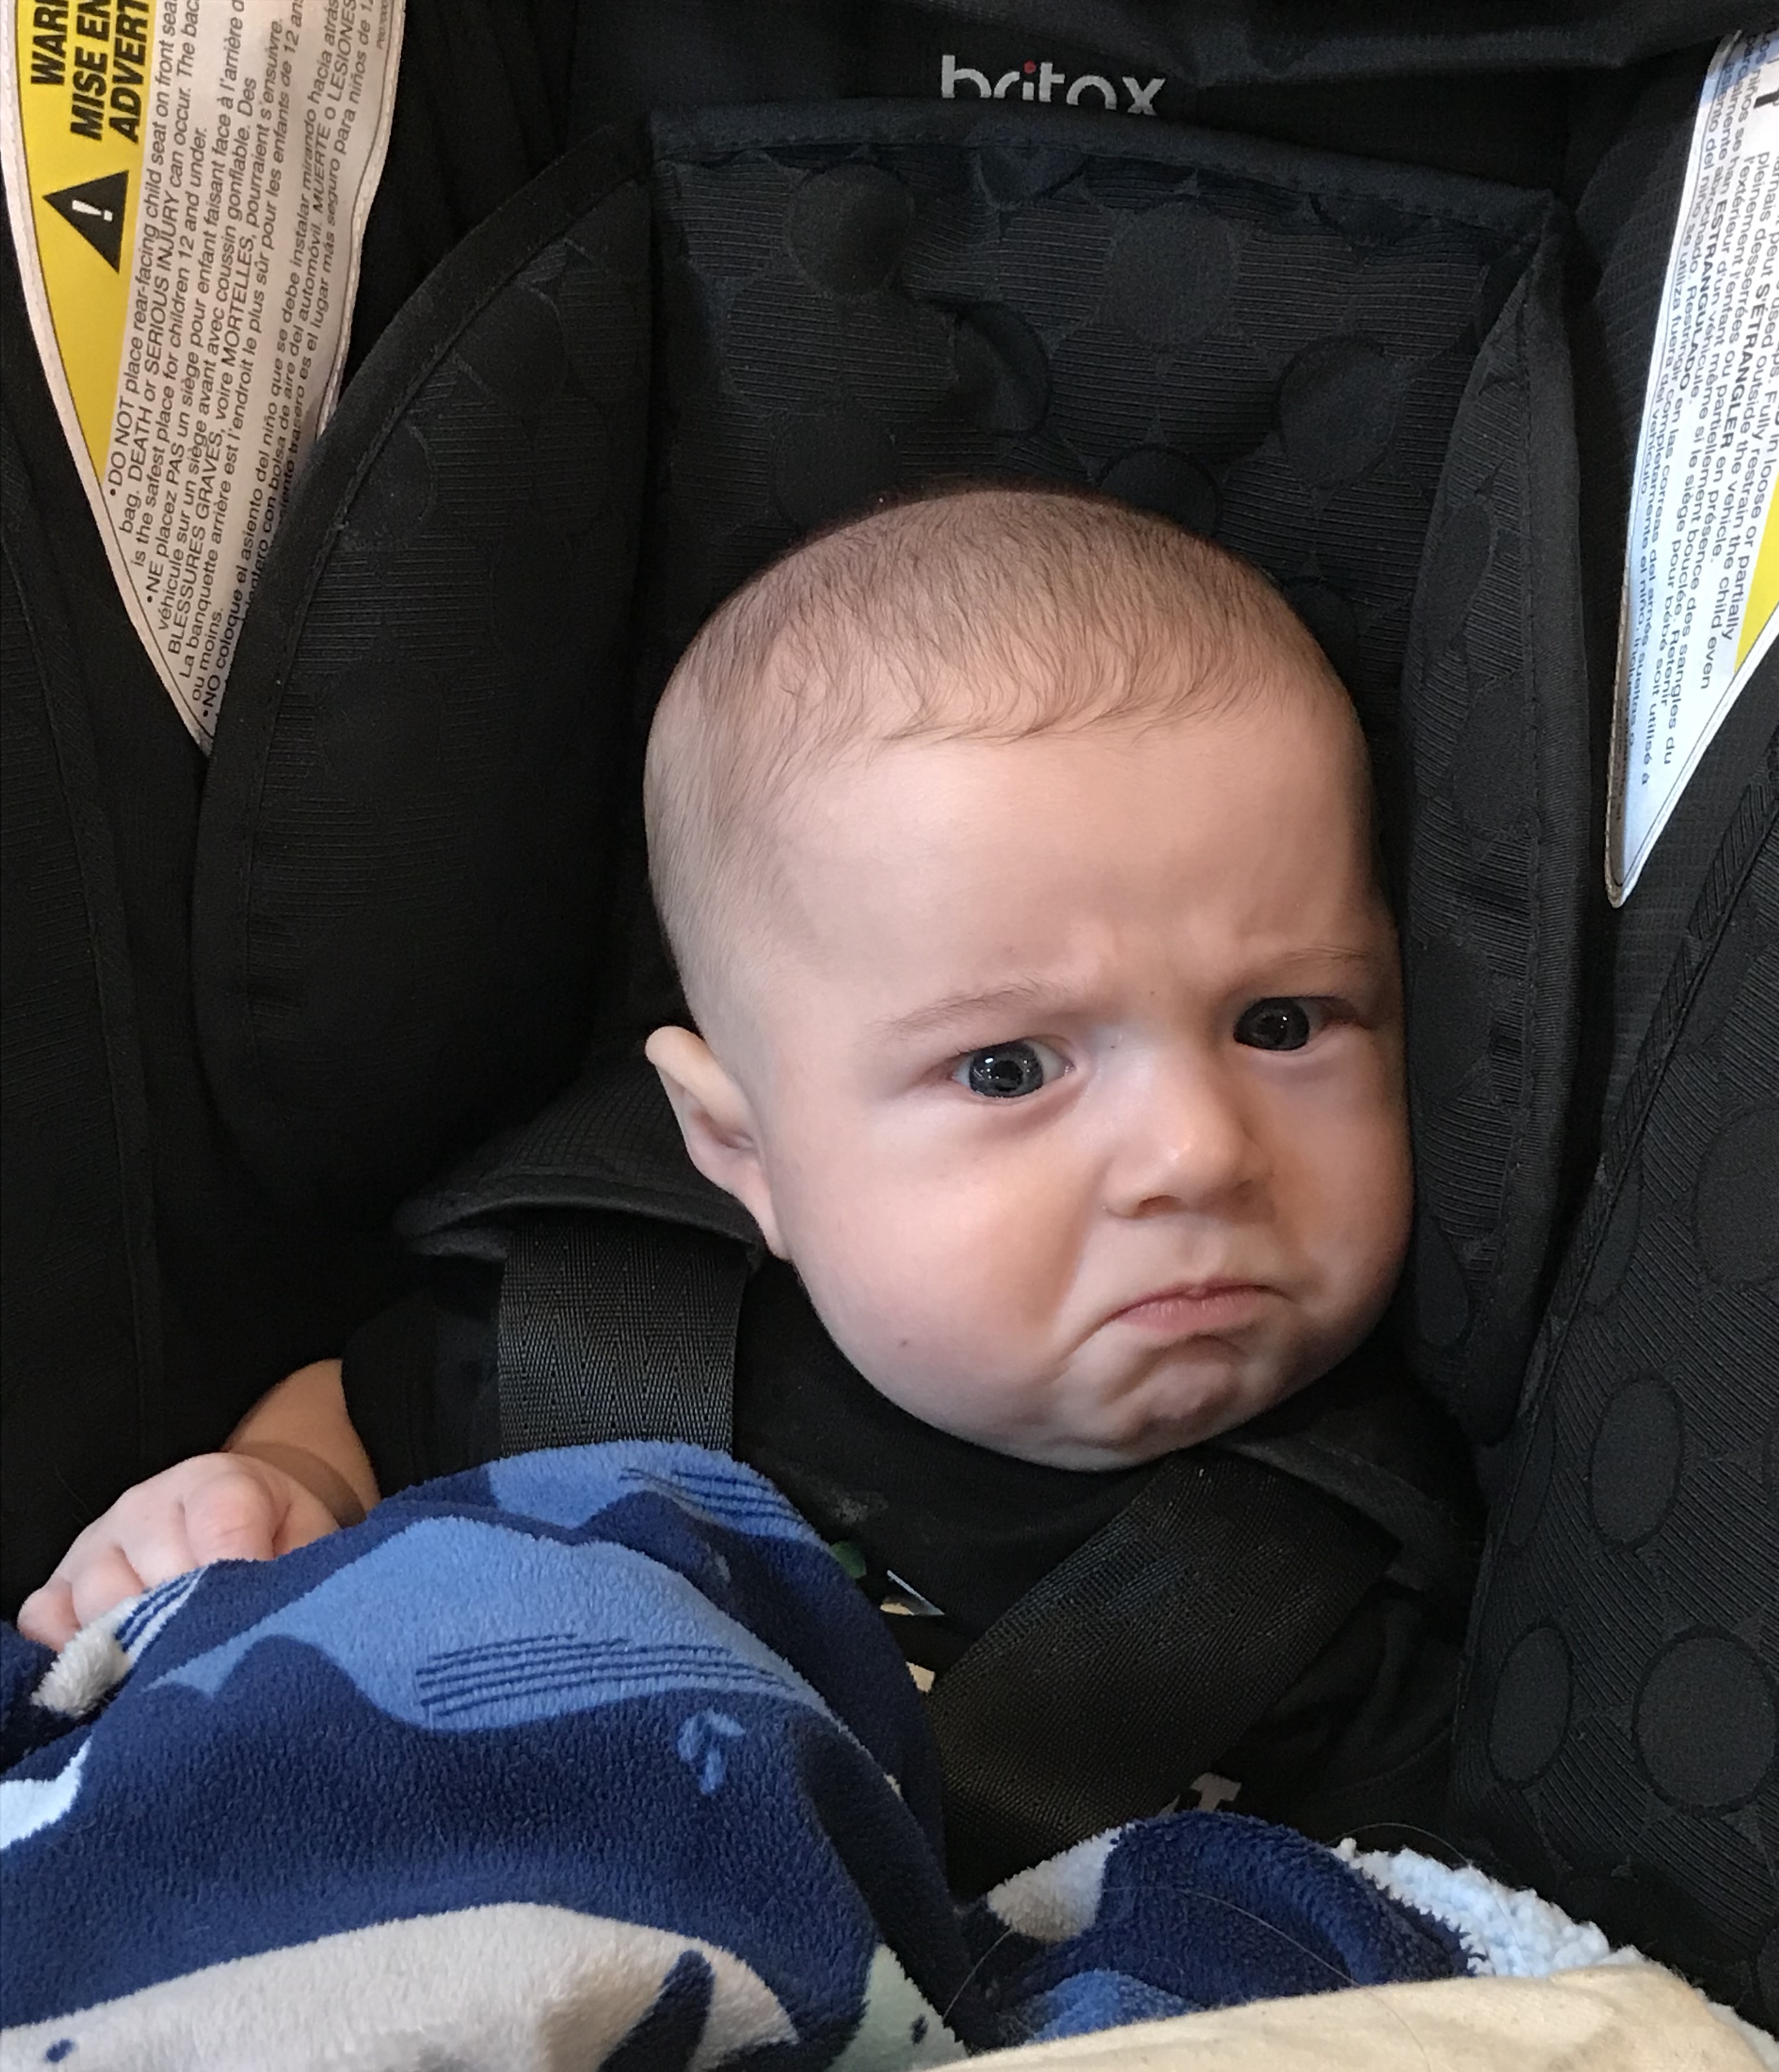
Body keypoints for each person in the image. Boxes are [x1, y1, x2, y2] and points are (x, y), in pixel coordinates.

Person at [16, 486, 1468, 1846]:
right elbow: (351, 1404)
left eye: (1284, 1024)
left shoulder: (1357, 1587)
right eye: (1008, 1069)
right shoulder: (585, 1346)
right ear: (738, 1145)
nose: (1199, 1152)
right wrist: (268, 1487)